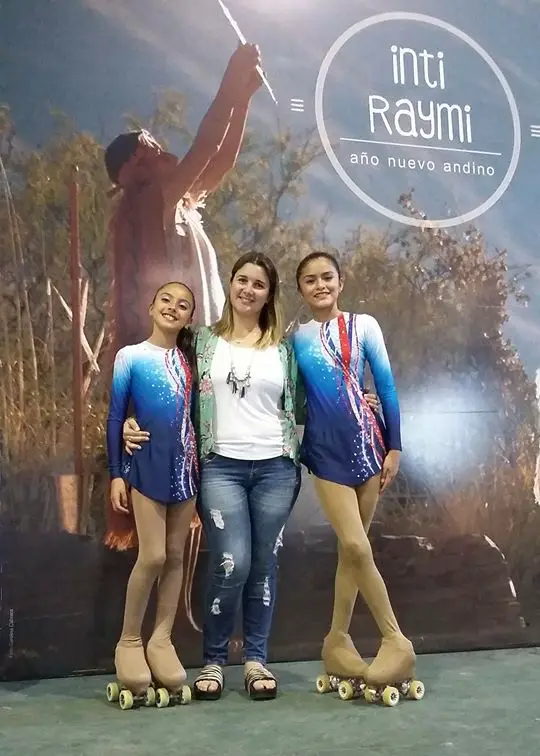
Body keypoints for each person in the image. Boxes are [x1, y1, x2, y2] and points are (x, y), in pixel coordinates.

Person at [122, 252, 302, 701]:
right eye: (242, 280)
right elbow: (159, 376)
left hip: (276, 468)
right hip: (220, 466)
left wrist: (364, 398)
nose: (248, 290)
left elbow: (308, 398)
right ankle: (214, 660)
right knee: (232, 561)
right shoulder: (200, 341)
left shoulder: (285, 348)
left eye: (258, 284)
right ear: (230, 284)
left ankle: (256, 660)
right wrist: (129, 420)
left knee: (263, 563)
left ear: (269, 294)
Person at [291, 251, 416, 693]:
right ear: (301, 289)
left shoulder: (365, 325)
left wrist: (394, 445)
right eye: (310, 280)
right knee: (356, 545)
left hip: (369, 447)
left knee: (351, 553)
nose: (320, 285)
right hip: (325, 454)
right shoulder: (297, 339)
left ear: (340, 282)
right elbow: (294, 399)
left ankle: (337, 641)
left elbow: (386, 385)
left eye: (327, 277)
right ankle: (395, 639)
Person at [104, 42, 263, 352]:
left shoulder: (176, 204)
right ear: (139, 162)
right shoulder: (147, 204)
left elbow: (221, 161)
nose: (161, 150)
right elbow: (206, 148)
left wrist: (242, 99)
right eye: (150, 147)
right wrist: (231, 79)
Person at [106, 281, 198, 708]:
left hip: (186, 468)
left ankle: (161, 638)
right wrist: (116, 473)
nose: (173, 308)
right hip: (146, 465)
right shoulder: (131, 357)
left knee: (176, 555)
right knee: (154, 555)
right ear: (150, 306)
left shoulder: (190, 362)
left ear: (189, 318)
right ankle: (129, 640)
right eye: (166, 300)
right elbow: (116, 416)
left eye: (183, 305)